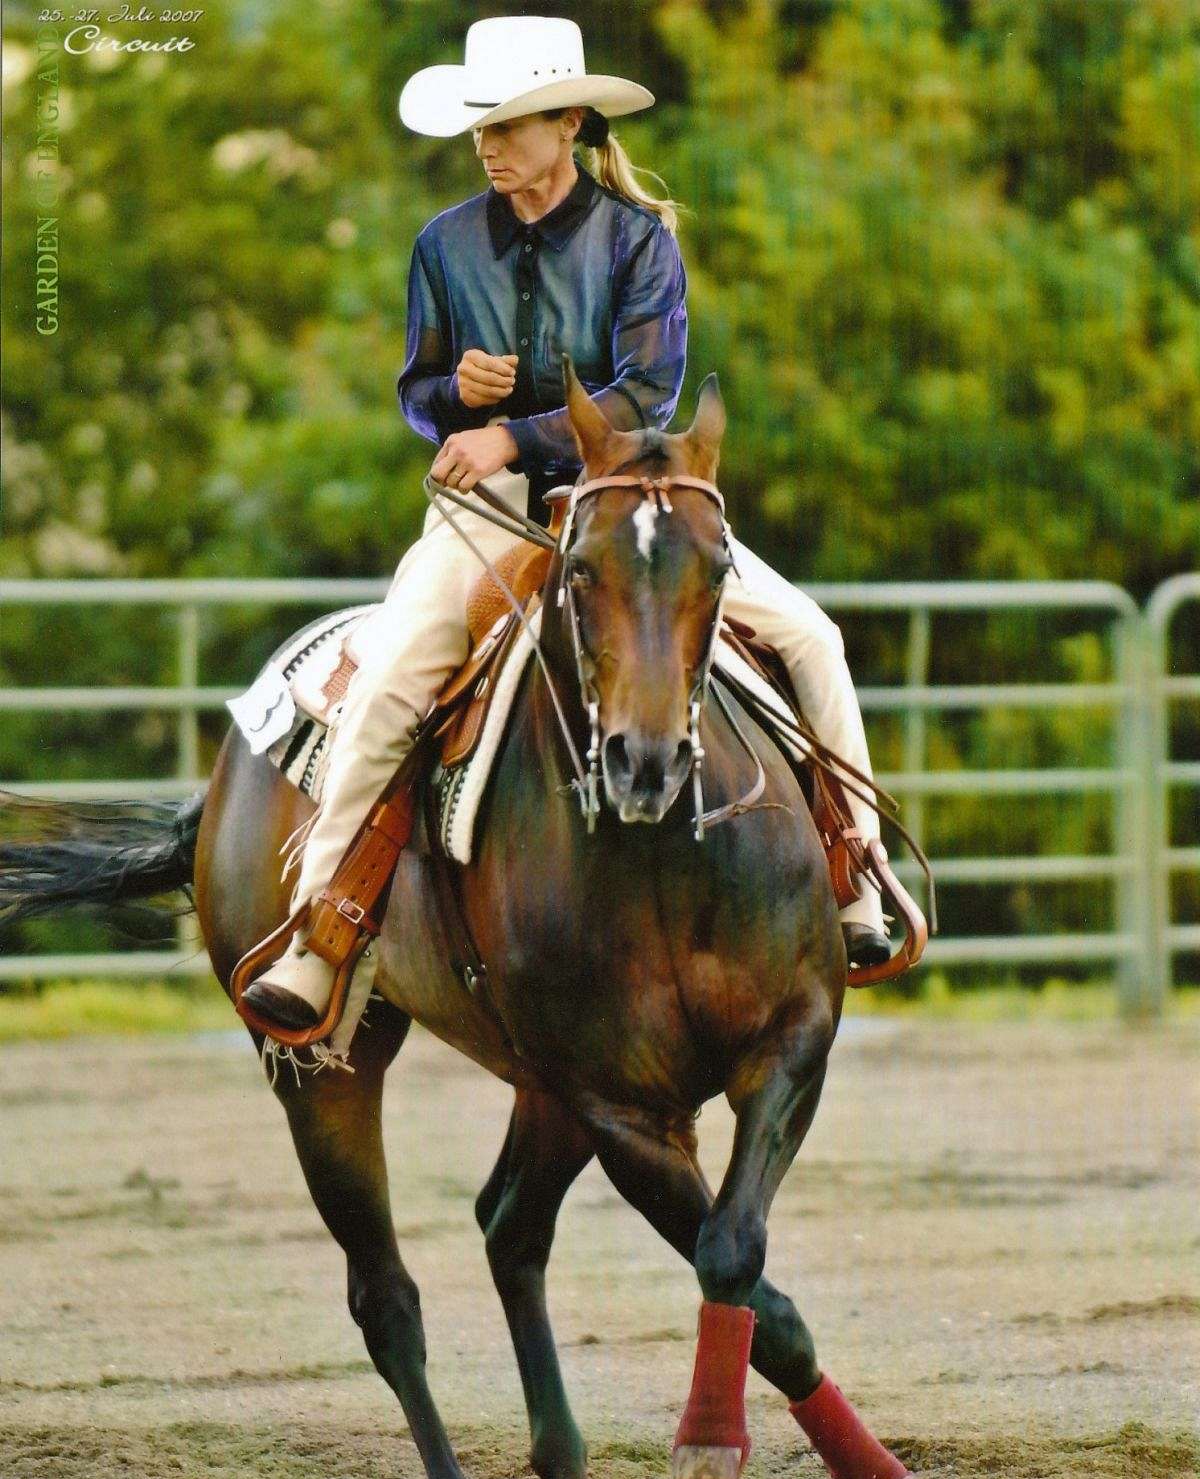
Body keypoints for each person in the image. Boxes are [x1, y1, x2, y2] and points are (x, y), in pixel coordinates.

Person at [244, 14, 889, 1032]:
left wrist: (515, 435)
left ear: (570, 123)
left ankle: (858, 872)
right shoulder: (444, 245)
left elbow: (648, 395)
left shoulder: (639, 242)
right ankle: (321, 934)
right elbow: (417, 390)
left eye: (512, 124)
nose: (490, 144)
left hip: (629, 496)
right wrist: (451, 391)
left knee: (812, 634)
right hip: (488, 513)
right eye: (482, 128)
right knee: (399, 670)